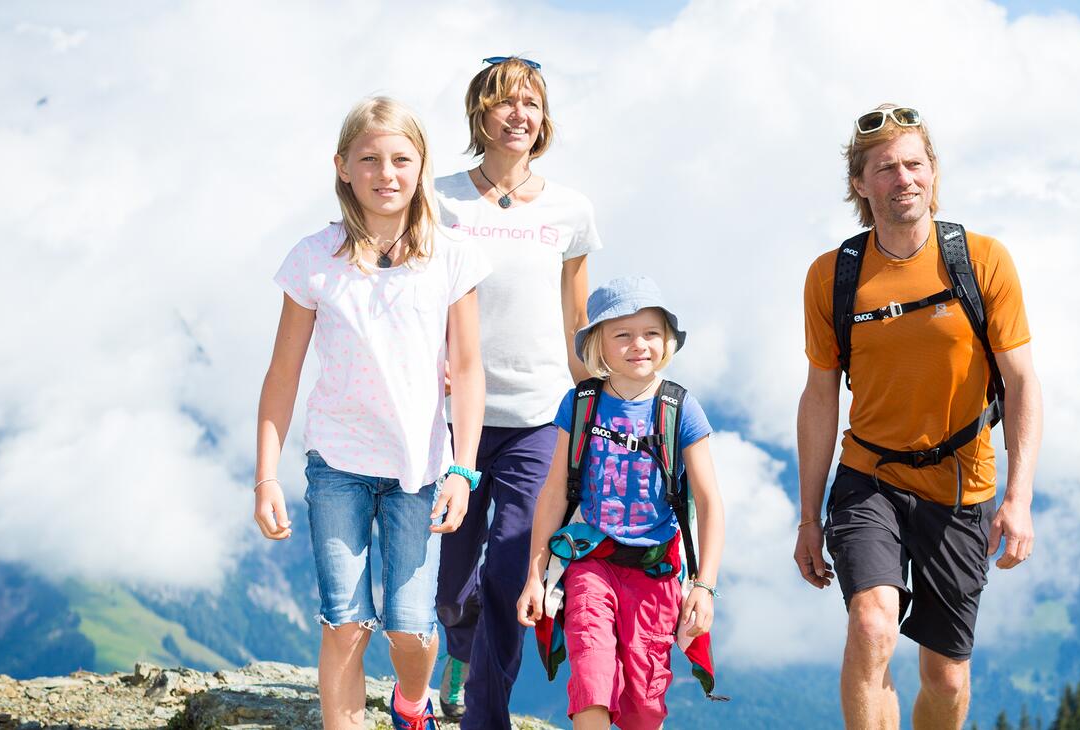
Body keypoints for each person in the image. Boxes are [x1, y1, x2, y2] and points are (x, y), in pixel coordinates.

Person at [792, 104, 1043, 730]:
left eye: (914, 164)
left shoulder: (982, 261)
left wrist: (1020, 497)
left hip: (962, 487)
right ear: (860, 183)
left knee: (946, 678)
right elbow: (820, 396)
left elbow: (1021, 381)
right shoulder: (833, 276)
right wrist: (807, 516)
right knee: (872, 626)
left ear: (933, 173)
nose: (903, 179)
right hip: (869, 476)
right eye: (885, 169)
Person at [252, 96, 491, 729]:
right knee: (346, 622)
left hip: (420, 470)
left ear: (420, 168)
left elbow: (466, 370)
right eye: (369, 160)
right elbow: (283, 373)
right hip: (337, 464)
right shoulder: (314, 259)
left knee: (411, 631)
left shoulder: (450, 255)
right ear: (342, 167)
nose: (387, 174)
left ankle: (413, 702)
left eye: (401, 160)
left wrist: (463, 471)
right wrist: (266, 474)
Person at [432, 55, 601, 726]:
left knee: (511, 575)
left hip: (539, 418)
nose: (518, 115)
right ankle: (458, 645)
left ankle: (485, 714)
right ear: (480, 113)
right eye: (504, 102)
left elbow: (577, 320)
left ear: (544, 118)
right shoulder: (440, 198)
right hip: (453, 422)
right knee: (449, 586)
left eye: (530, 103)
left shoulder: (571, 209)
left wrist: (594, 414)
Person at [516, 276, 726, 730]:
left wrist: (705, 586)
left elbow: (709, 503)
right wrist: (535, 577)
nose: (639, 345)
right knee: (591, 677)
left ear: (667, 339)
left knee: (644, 708)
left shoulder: (679, 409)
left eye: (651, 332)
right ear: (599, 345)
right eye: (623, 334)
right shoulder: (581, 404)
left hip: (655, 573)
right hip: (593, 562)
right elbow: (554, 492)